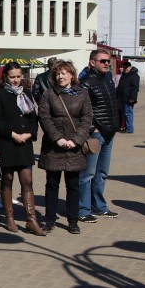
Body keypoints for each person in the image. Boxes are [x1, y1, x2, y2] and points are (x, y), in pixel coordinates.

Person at [0, 62, 45, 236]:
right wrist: (13, 135)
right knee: (7, 179)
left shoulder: (25, 92)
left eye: (18, 76)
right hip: (7, 142)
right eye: (12, 77)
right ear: (6, 77)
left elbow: (32, 118)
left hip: (24, 143)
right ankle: (9, 218)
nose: (15, 80)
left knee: (27, 180)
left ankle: (31, 219)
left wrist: (30, 134)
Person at [38, 60, 92, 234]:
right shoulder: (49, 94)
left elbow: (87, 119)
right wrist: (58, 138)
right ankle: (50, 219)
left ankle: (73, 221)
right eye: (57, 74)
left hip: (74, 147)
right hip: (53, 147)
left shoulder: (82, 94)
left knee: (73, 185)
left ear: (71, 75)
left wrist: (76, 140)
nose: (60, 77)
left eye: (63, 73)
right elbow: (44, 118)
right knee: (52, 184)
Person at [78, 49, 120, 223]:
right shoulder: (85, 82)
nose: (107, 63)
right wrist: (92, 128)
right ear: (92, 63)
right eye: (102, 61)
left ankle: (100, 207)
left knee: (102, 173)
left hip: (110, 132)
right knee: (87, 174)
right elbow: (81, 109)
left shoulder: (108, 78)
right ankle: (83, 209)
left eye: (107, 61)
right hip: (95, 134)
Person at [117, 59, 140, 134]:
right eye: (124, 68)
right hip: (122, 98)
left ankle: (130, 129)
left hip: (129, 98)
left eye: (126, 68)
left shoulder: (134, 76)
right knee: (124, 113)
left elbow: (135, 88)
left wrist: (132, 98)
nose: (125, 69)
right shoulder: (124, 75)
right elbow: (120, 87)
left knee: (128, 113)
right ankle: (126, 127)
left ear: (130, 67)